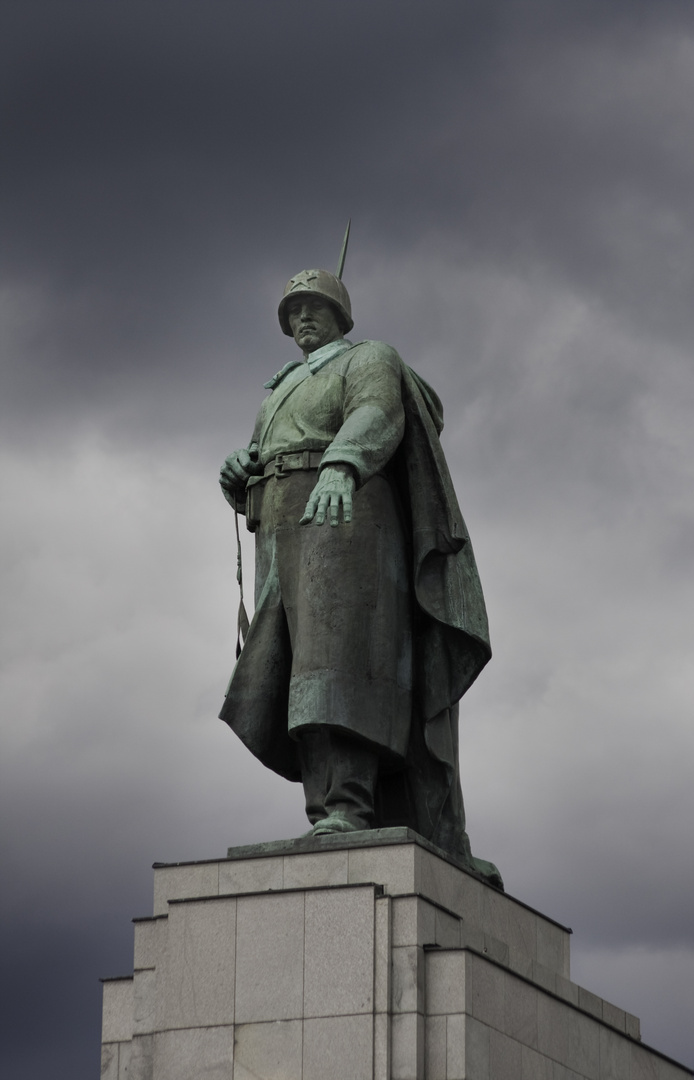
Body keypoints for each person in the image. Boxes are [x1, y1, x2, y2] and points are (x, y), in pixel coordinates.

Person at [219, 267, 502, 887]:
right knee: (294, 668)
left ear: (341, 313)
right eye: (293, 311)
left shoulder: (369, 357)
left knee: (334, 662)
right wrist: (240, 474)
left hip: (345, 516)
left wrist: (343, 467)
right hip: (282, 528)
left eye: (314, 306)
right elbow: (263, 454)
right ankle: (330, 807)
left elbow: (376, 411)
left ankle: (345, 806)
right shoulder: (281, 386)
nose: (302, 319)